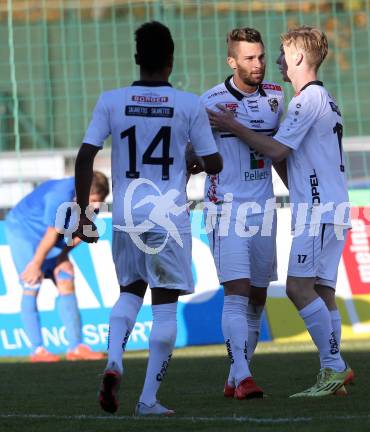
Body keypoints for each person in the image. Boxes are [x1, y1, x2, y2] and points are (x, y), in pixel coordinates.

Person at [74, 21, 222, 416]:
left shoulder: (112, 100)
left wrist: (83, 211)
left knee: (129, 291)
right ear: (171, 61)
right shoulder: (189, 105)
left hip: (124, 215)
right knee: (165, 305)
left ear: (137, 58)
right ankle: (147, 399)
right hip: (167, 217)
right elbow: (215, 162)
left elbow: (85, 155)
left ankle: (114, 362)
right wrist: (192, 158)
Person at [208, 26, 354, 397]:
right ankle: (332, 373)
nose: (276, 62)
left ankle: (334, 366)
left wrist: (231, 124)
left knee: (297, 287)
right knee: (323, 291)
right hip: (331, 205)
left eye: (283, 54)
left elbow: (275, 151)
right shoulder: (324, 98)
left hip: (317, 209)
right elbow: (286, 159)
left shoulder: (306, 101)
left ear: (299, 58)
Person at [200, 27, 286, 400]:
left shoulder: (277, 98)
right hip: (226, 207)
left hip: (264, 207)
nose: (258, 64)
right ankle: (244, 375)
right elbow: (192, 154)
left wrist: (298, 192)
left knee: (257, 298)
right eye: (249, 58)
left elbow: (280, 151)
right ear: (231, 61)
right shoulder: (211, 102)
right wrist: (193, 158)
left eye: (262, 56)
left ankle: (237, 376)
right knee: (235, 292)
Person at [5, 172, 109, 362]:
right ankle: (37, 351)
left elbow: (83, 231)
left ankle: (76, 347)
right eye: (93, 200)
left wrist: (62, 256)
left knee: (66, 275)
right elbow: (52, 232)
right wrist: (36, 264)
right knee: (32, 282)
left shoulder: (91, 202)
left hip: (50, 234)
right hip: (24, 229)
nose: (96, 206)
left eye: (99, 201)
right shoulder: (58, 195)